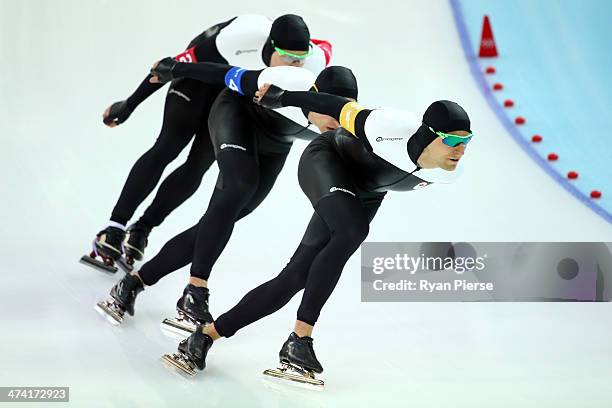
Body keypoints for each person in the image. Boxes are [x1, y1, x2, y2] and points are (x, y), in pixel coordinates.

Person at [161, 83, 474, 385]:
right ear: (428, 135)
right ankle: (300, 338)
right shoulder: (386, 125)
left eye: (467, 141)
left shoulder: (450, 173)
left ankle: (203, 337)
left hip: (365, 192)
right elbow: (334, 105)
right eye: (451, 140)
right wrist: (283, 97)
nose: (460, 150)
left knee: (295, 277)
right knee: (353, 231)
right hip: (325, 160)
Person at [96, 59, 360, 334]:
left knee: (225, 216)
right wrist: (176, 68)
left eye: (341, 111)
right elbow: (226, 74)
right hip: (235, 114)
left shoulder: (347, 121)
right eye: (330, 108)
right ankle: (196, 289)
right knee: (238, 186)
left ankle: (134, 282)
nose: (336, 118)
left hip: (276, 142)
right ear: (313, 96)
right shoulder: (286, 81)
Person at [81, 14, 331, 272]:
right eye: (288, 58)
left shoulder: (313, 63)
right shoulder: (241, 36)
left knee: (199, 164)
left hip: (233, 92)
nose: (295, 66)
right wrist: (129, 104)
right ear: (268, 46)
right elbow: (170, 65)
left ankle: (142, 228)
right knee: (169, 145)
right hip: (197, 79)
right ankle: (114, 226)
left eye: (300, 60)